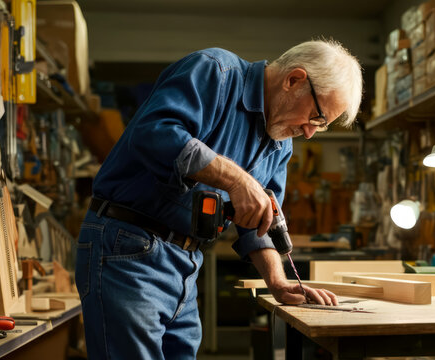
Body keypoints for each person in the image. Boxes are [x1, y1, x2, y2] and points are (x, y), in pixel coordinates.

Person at [75, 39, 363, 359]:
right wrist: (237, 180)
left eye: (320, 127)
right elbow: (156, 132)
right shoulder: (216, 72)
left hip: (187, 263)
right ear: (294, 80)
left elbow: (262, 220)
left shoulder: (280, 145)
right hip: (127, 247)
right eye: (316, 116)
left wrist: (278, 281)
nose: (310, 132)